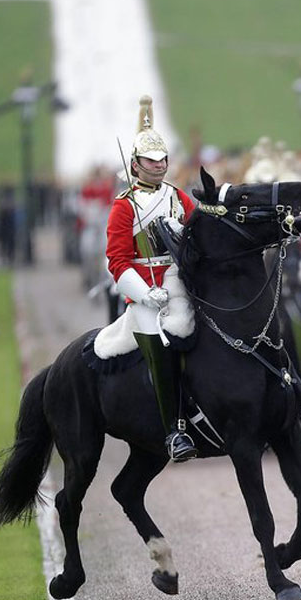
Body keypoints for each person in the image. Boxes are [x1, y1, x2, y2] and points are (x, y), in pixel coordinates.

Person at [106, 95, 198, 462]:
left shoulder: (179, 199)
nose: (159, 166)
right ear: (135, 164)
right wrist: (145, 294)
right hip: (146, 291)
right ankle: (174, 431)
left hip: (180, 282)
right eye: (151, 160)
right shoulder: (123, 207)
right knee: (160, 347)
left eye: (162, 160)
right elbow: (117, 260)